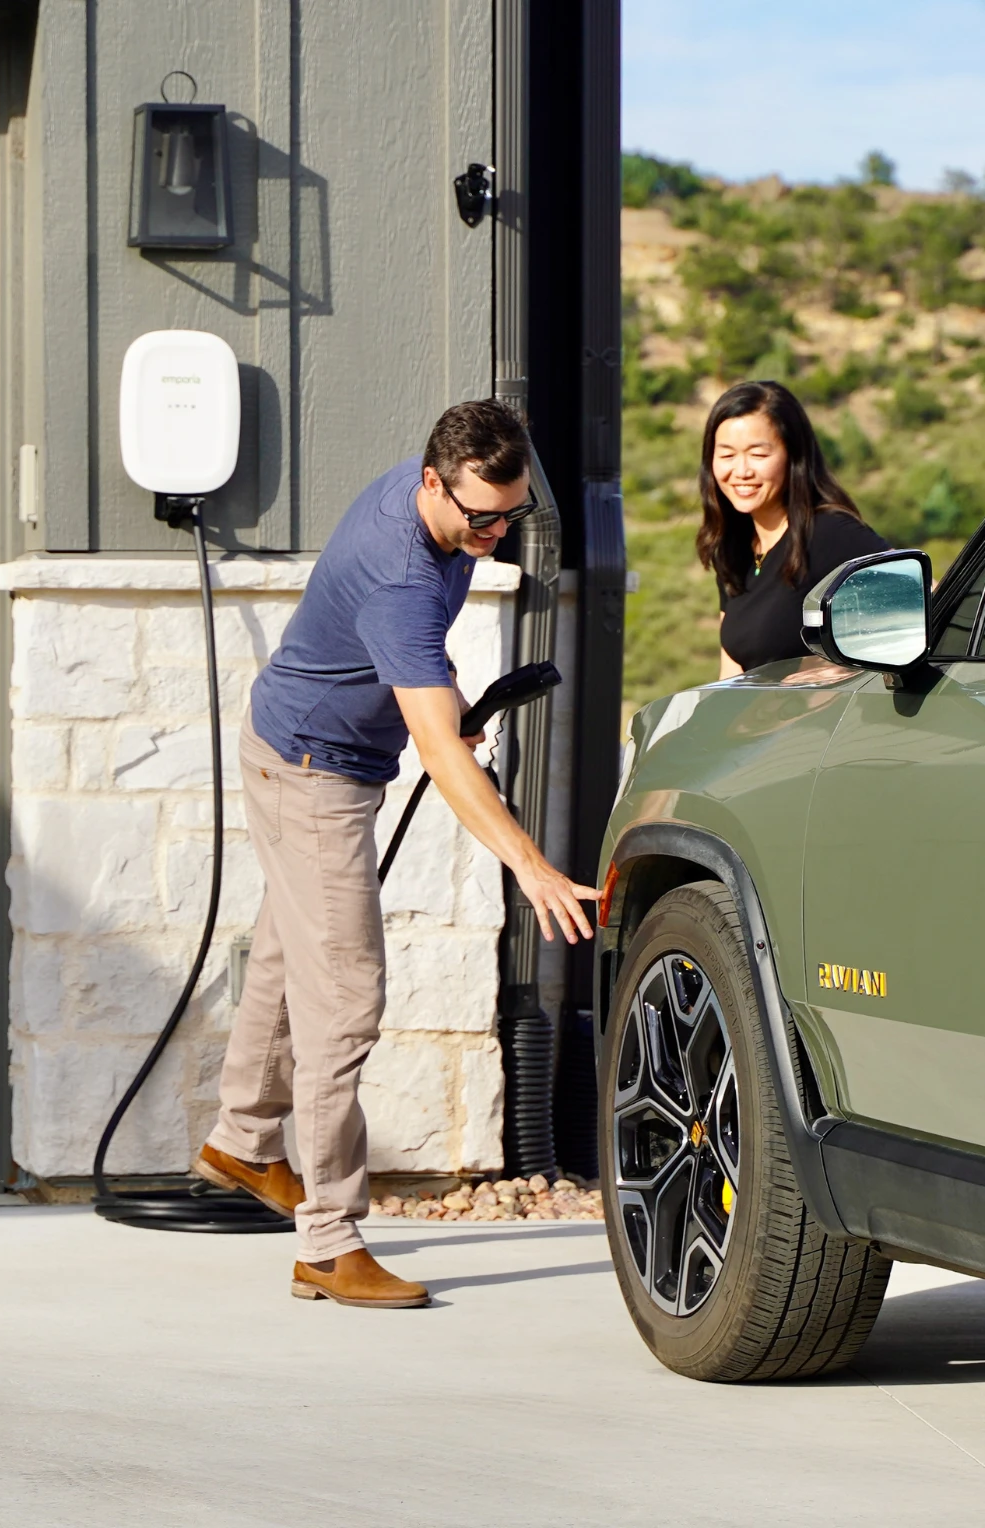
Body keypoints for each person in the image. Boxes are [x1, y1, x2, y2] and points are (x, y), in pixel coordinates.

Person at [195, 399, 598, 1308]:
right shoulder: (402, 580)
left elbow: (425, 686)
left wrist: (442, 699)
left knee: (286, 955)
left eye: (512, 515)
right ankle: (328, 1244)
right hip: (313, 773)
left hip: (295, 745)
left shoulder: (435, 504)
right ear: (432, 482)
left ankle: (243, 1141)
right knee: (342, 1001)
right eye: (480, 517)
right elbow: (442, 757)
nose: (495, 536)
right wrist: (528, 864)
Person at [697, 380, 889, 677]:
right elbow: (732, 675)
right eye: (726, 455)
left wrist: (844, 672)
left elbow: (928, 599)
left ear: (793, 456)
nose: (741, 471)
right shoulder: (732, 549)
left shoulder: (828, 532)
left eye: (758, 455)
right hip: (755, 708)